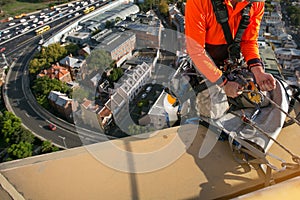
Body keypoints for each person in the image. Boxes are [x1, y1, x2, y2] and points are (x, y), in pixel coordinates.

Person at [184, 0, 276, 118]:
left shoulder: (255, 3)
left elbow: (248, 41)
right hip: (205, 66)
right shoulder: (200, 2)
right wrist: (224, 83)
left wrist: (258, 72)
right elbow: (196, 51)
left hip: (232, 62)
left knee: (265, 98)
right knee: (214, 111)